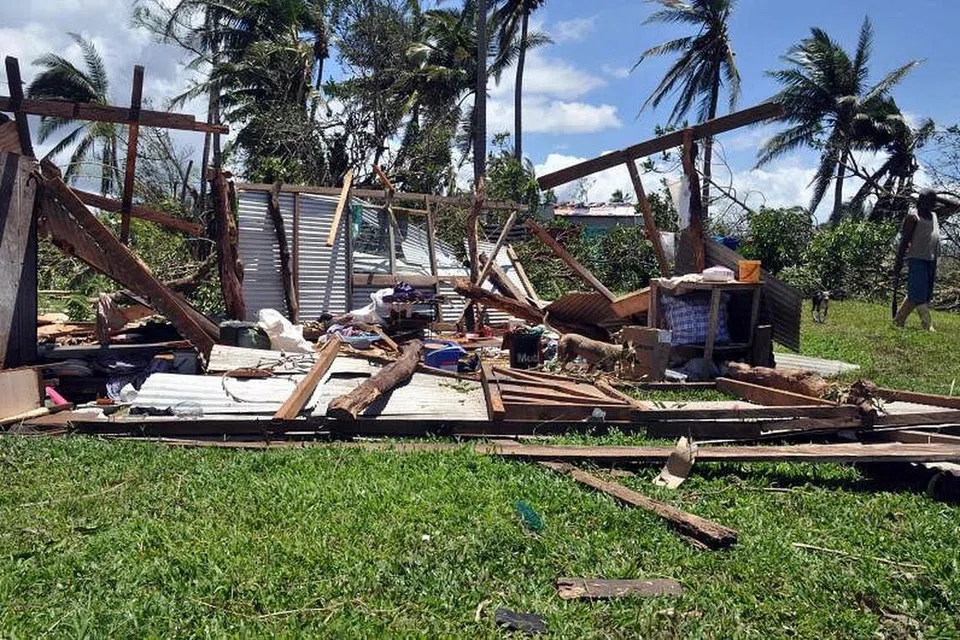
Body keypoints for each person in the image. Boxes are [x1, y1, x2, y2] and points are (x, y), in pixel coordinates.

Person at [893, 189, 940, 330]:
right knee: (919, 293)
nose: (929, 204)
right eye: (926, 201)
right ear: (920, 201)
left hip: (931, 259)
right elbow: (904, 241)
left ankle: (898, 320)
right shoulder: (913, 217)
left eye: (932, 202)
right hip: (917, 258)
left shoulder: (934, 215)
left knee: (922, 293)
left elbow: (956, 206)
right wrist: (898, 262)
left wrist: (937, 198)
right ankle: (927, 325)